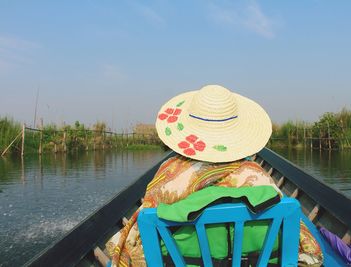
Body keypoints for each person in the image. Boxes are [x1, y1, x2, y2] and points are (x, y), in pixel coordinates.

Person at [106, 85, 323, 266]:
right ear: (237, 134)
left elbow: (137, 236)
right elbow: (306, 248)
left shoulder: (167, 177)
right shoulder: (258, 177)